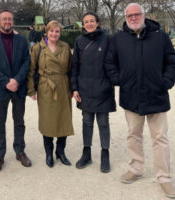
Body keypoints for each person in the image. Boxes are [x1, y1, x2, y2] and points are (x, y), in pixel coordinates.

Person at [105, 3, 175, 198]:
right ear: (125, 18)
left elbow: (171, 60)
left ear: (144, 15)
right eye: (130, 15)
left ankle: (164, 177)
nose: (133, 18)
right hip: (131, 95)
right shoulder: (118, 39)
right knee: (133, 135)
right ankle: (136, 168)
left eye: (137, 14)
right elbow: (110, 62)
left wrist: (167, 81)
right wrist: (119, 79)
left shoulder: (160, 36)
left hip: (156, 95)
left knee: (160, 138)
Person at [0, 9, 31, 172]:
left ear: (13, 22)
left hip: (18, 87)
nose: (7, 22)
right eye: (4, 19)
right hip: (0, 88)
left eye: (10, 19)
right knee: (0, 123)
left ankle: (20, 151)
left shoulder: (22, 40)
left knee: (19, 121)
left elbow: (27, 62)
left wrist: (17, 80)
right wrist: (6, 82)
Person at [70, 12, 116, 173]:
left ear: (97, 23)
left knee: (103, 123)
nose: (89, 24)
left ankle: (105, 153)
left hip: (104, 88)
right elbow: (74, 66)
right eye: (86, 22)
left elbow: (115, 62)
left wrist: (113, 81)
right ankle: (86, 152)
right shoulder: (79, 41)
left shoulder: (108, 39)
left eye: (92, 21)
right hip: (85, 88)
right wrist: (74, 87)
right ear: (83, 24)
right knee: (87, 122)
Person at [27, 20, 74, 168]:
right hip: (45, 87)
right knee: (47, 120)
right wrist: (31, 90)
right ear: (46, 32)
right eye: (52, 31)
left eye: (57, 31)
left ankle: (60, 152)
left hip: (63, 85)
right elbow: (31, 70)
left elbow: (71, 69)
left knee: (63, 119)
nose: (54, 34)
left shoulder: (65, 47)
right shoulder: (37, 48)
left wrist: (73, 88)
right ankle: (49, 153)